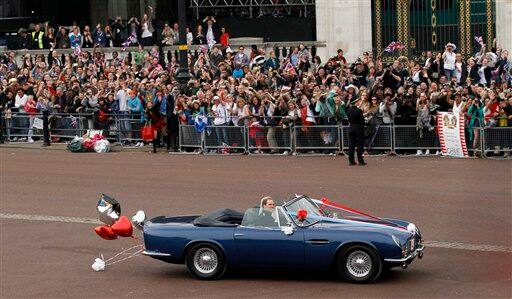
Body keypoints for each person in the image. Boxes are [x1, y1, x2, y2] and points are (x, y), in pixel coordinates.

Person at [346, 100, 366, 166]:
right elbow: (362, 121)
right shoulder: (359, 111)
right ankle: (360, 161)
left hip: (351, 128)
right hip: (359, 129)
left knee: (351, 146)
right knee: (360, 146)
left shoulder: (348, 110)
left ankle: (351, 161)